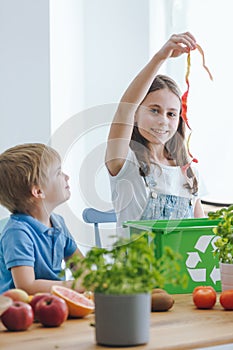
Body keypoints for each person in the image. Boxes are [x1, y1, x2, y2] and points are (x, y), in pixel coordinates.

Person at [105, 32, 206, 229]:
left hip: (182, 261)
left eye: (171, 114)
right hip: (137, 261)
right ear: (136, 113)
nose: (163, 121)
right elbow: (124, 108)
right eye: (154, 110)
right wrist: (161, 56)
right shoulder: (125, 162)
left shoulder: (190, 173)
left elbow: (200, 235)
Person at [0, 143, 84, 294]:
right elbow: (26, 286)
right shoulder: (17, 232)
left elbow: (82, 268)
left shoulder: (58, 223)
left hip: (53, 304)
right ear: (38, 191)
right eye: (58, 173)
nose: (66, 176)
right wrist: (75, 286)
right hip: (20, 311)